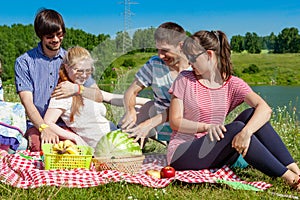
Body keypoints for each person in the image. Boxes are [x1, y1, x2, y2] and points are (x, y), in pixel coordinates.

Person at [167, 30, 300, 191]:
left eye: (193, 57)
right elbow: (175, 122)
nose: (189, 62)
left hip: (215, 152)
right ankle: (290, 179)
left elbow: (265, 109)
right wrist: (207, 127)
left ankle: (295, 169)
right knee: (236, 127)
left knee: (250, 115)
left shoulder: (232, 83)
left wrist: (246, 133)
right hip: (183, 153)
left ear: (209, 54)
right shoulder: (184, 79)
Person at [14, 9, 102, 152]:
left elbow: (97, 95)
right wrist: (44, 128)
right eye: (50, 36)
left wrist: (77, 89)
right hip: (38, 124)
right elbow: (27, 101)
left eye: (59, 34)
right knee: (42, 147)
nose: (55, 39)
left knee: (74, 150)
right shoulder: (24, 62)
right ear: (40, 36)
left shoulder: (72, 60)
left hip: (68, 124)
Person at [120, 22, 190, 147]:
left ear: (181, 46)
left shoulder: (195, 69)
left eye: (165, 50)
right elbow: (131, 92)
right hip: (166, 130)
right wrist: (130, 110)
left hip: (190, 132)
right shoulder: (154, 64)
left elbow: (182, 108)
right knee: (124, 129)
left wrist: (149, 124)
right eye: (158, 49)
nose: (160, 55)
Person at [43, 46, 118, 149]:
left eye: (88, 71)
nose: (84, 76)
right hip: (103, 147)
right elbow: (48, 121)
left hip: (114, 135)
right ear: (67, 67)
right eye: (79, 71)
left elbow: (112, 97)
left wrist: (145, 102)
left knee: (139, 110)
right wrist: (74, 137)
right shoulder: (62, 92)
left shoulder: (83, 89)